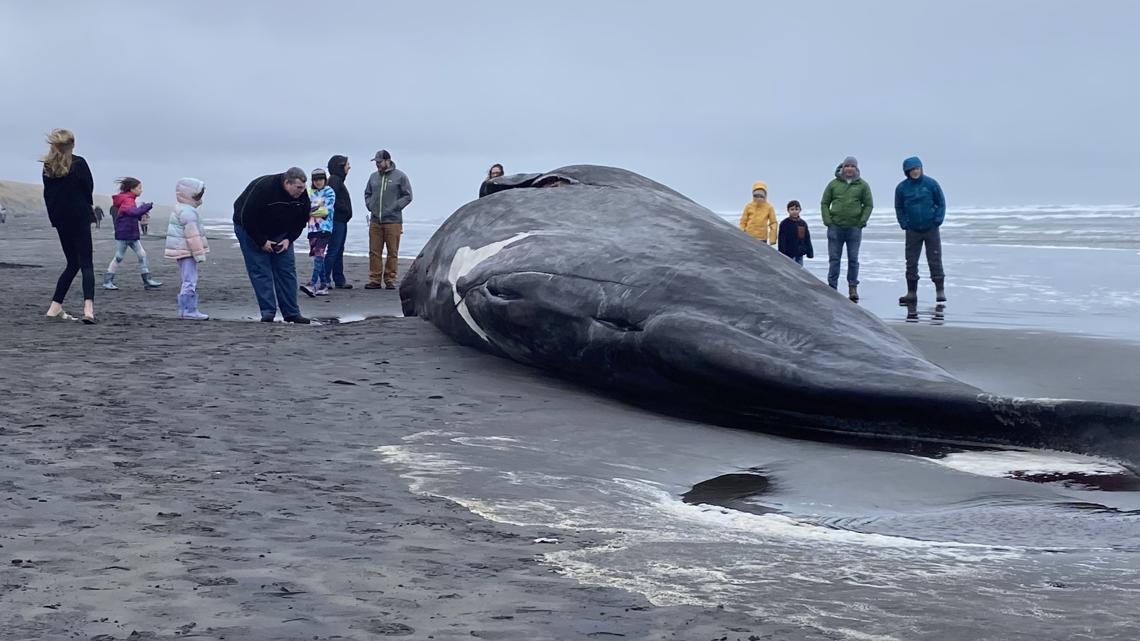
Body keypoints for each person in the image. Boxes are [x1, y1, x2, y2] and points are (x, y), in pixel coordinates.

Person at [232, 167, 312, 323]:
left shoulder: (301, 195)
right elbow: (246, 217)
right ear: (287, 183)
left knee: (287, 271)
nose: (301, 192)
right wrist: (261, 241)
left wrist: (289, 239)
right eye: (298, 188)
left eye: (303, 188)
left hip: (281, 231)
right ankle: (268, 312)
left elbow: (302, 219)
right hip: (249, 228)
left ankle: (292, 313)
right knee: (261, 270)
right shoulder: (264, 187)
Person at [40, 128, 97, 323]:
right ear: (72, 145)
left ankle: (55, 307)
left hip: (61, 219)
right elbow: (88, 188)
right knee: (86, 263)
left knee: (73, 262)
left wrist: (55, 218)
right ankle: (88, 309)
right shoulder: (79, 163)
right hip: (79, 216)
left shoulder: (48, 167)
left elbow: (49, 195)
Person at [894, 156, 947, 304]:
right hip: (912, 230)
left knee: (935, 259)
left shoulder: (931, 184)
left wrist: (937, 219)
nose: (915, 172)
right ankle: (911, 293)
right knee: (911, 262)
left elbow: (941, 203)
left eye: (917, 168)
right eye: (912, 170)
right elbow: (899, 207)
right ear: (907, 172)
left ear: (921, 169)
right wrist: (904, 223)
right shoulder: (901, 188)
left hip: (931, 228)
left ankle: (940, 291)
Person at [821, 156, 873, 301]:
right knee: (834, 259)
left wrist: (862, 221)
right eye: (847, 166)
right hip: (835, 227)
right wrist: (828, 221)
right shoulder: (833, 184)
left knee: (853, 259)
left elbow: (868, 205)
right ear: (842, 168)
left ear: (856, 168)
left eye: (852, 166)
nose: (849, 168)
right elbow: (825, 203)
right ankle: (832, 287)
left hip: (854, 229)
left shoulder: (862, 185)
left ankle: (852, 288)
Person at [364, 149, 413, 289]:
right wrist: (369, 205)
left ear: (388, 160)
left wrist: (395, 207)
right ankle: (375, 279)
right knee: (374, 251)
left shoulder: (400, 177)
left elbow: (408, 196)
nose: (377, 165)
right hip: (375, 220)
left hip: (393, 221)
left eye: (379, 162)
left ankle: (390, 279)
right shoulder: (373, 177)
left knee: (392, 252)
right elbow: (367, 193)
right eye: (376, 162)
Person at [103, 177, 163, 290]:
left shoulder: (130, 199)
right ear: (132, 189)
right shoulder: (127, 200)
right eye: (139, 188)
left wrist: (140, 213)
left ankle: (147, 280)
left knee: (142, 255)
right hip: (124, 233)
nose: (141, 190)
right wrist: (146, 207)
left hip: (132, 233)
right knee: (119, 256)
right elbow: (132, 212)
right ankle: (108, 280)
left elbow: (133, 215)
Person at [164, 178, 210, 320]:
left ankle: (185, 310)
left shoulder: (180, 208)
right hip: (187, 251)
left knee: (187, 279)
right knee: (190, 280)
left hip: (182, 250)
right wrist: (199, 253)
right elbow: (192, 235)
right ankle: (189, 310)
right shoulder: (188, 212)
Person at [300, 167, 335, 298]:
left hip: (325, 228)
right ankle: (324, 284)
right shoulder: (309, 192)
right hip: (312, 228)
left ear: (324, 180)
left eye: (321, 179)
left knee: (319, 254)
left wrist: (311, 211)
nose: (318, 182)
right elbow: (304, 208)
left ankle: (312, 284)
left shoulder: (329, 191)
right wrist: (311, 210)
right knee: (318, 257)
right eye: (316, 180)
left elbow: (326, 210)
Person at [323, 155, 353, 289]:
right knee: (334, 250)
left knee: (338, 249)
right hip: (336, 220)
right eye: (347, 164)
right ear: (340, 166)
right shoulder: (335, 179)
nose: (349, 167)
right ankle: (325, 279)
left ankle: (339, 278)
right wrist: (344, 209)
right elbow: (331, 199)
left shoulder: (337, 180)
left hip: (340, 220)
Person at [739, 181, 778, 245]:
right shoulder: (749, 206)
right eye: (756, 196)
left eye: (761, 196)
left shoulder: (769, 207)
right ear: (753, 195)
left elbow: (773, 223)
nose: (758, 198)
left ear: (765, 195)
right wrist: (742, 232)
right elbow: (743, 221)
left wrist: (772, 239)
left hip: (762, 238)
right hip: (748, 236)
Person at [777, 200, 814, 265]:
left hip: (800, 253)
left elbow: (807, 238)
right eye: (792, 209)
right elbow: (781, 240)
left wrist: (810, 252)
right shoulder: (784, 223)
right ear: (788, 210)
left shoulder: (803, 223)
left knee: (800, 270)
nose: (794, 211)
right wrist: (781, 253)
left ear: (800, 210)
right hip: (789, 253)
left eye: (796, 209)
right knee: (790, 269)